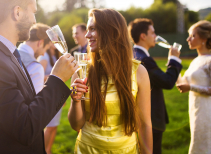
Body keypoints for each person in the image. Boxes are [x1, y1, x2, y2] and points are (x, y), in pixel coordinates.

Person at [0, 0, 78, 154]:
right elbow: (25, 128)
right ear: (17, 13)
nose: (35, 20)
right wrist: (57, 80)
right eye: (33, 12)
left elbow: (25, 106)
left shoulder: (7, 53)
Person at [68, 9, 152, 154]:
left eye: (92, 29)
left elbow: (144, 124)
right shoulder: (81, 72)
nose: (87, 35)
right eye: (87, 29)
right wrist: (76, 101)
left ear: (112, 32)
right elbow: (76, 125)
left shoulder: (139, 72)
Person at [128, 18, 182, 154]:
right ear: (143, 36)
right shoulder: (143, 59)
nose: (156, 36)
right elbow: (167, 81)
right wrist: (174, 59)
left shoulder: (133, 55)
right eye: (153, 33)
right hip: (149, 119)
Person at [176, 20, 211, 154]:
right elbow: (182, 83)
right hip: (195, 109)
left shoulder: (209, 61)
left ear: (203, 38)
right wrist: (174, 63)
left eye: (192, 36)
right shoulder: (196, 60)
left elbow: (189, 86)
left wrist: (191, 87)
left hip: (207, 111)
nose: (188, 39)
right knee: (197, 143)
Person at [39, 44, 61, 154]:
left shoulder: (56, 56)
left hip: (57, 95)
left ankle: (49, 150)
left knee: (54, 126)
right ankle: (42, 151)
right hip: (49, 96)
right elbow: (39, 77)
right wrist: (56, 76)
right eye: (54, 39)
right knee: (49, 127)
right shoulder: (44, 57)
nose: (57, 42)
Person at [18, 23, 51, 94]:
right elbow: (37, 103)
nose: (43, 54)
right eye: (45, 49)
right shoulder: (35, 67)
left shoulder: (8, 53)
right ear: (40, 43)